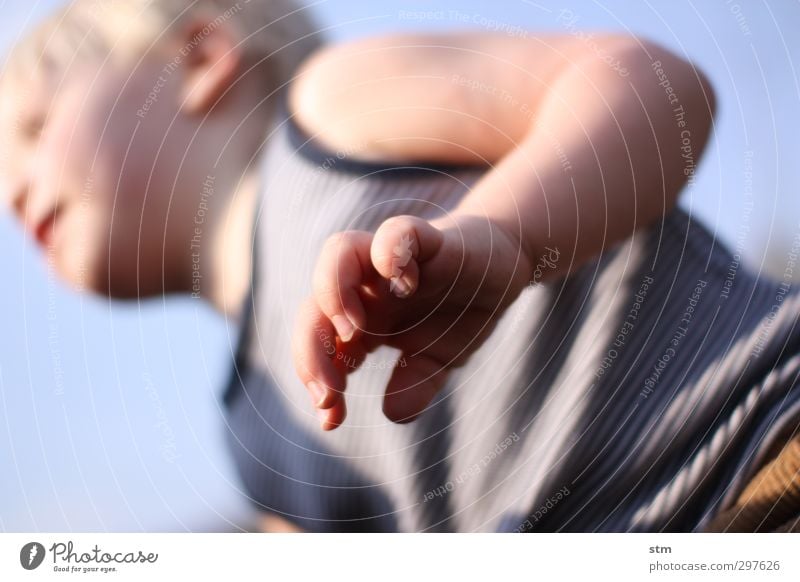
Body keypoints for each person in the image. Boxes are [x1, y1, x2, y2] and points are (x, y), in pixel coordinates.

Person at [1, 0, 796, 532]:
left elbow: (656, 88)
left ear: (200, 57)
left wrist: (510, 234)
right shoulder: (254, 432)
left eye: (34, 128)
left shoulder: (331, 115)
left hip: (764, 444)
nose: (13, 192)